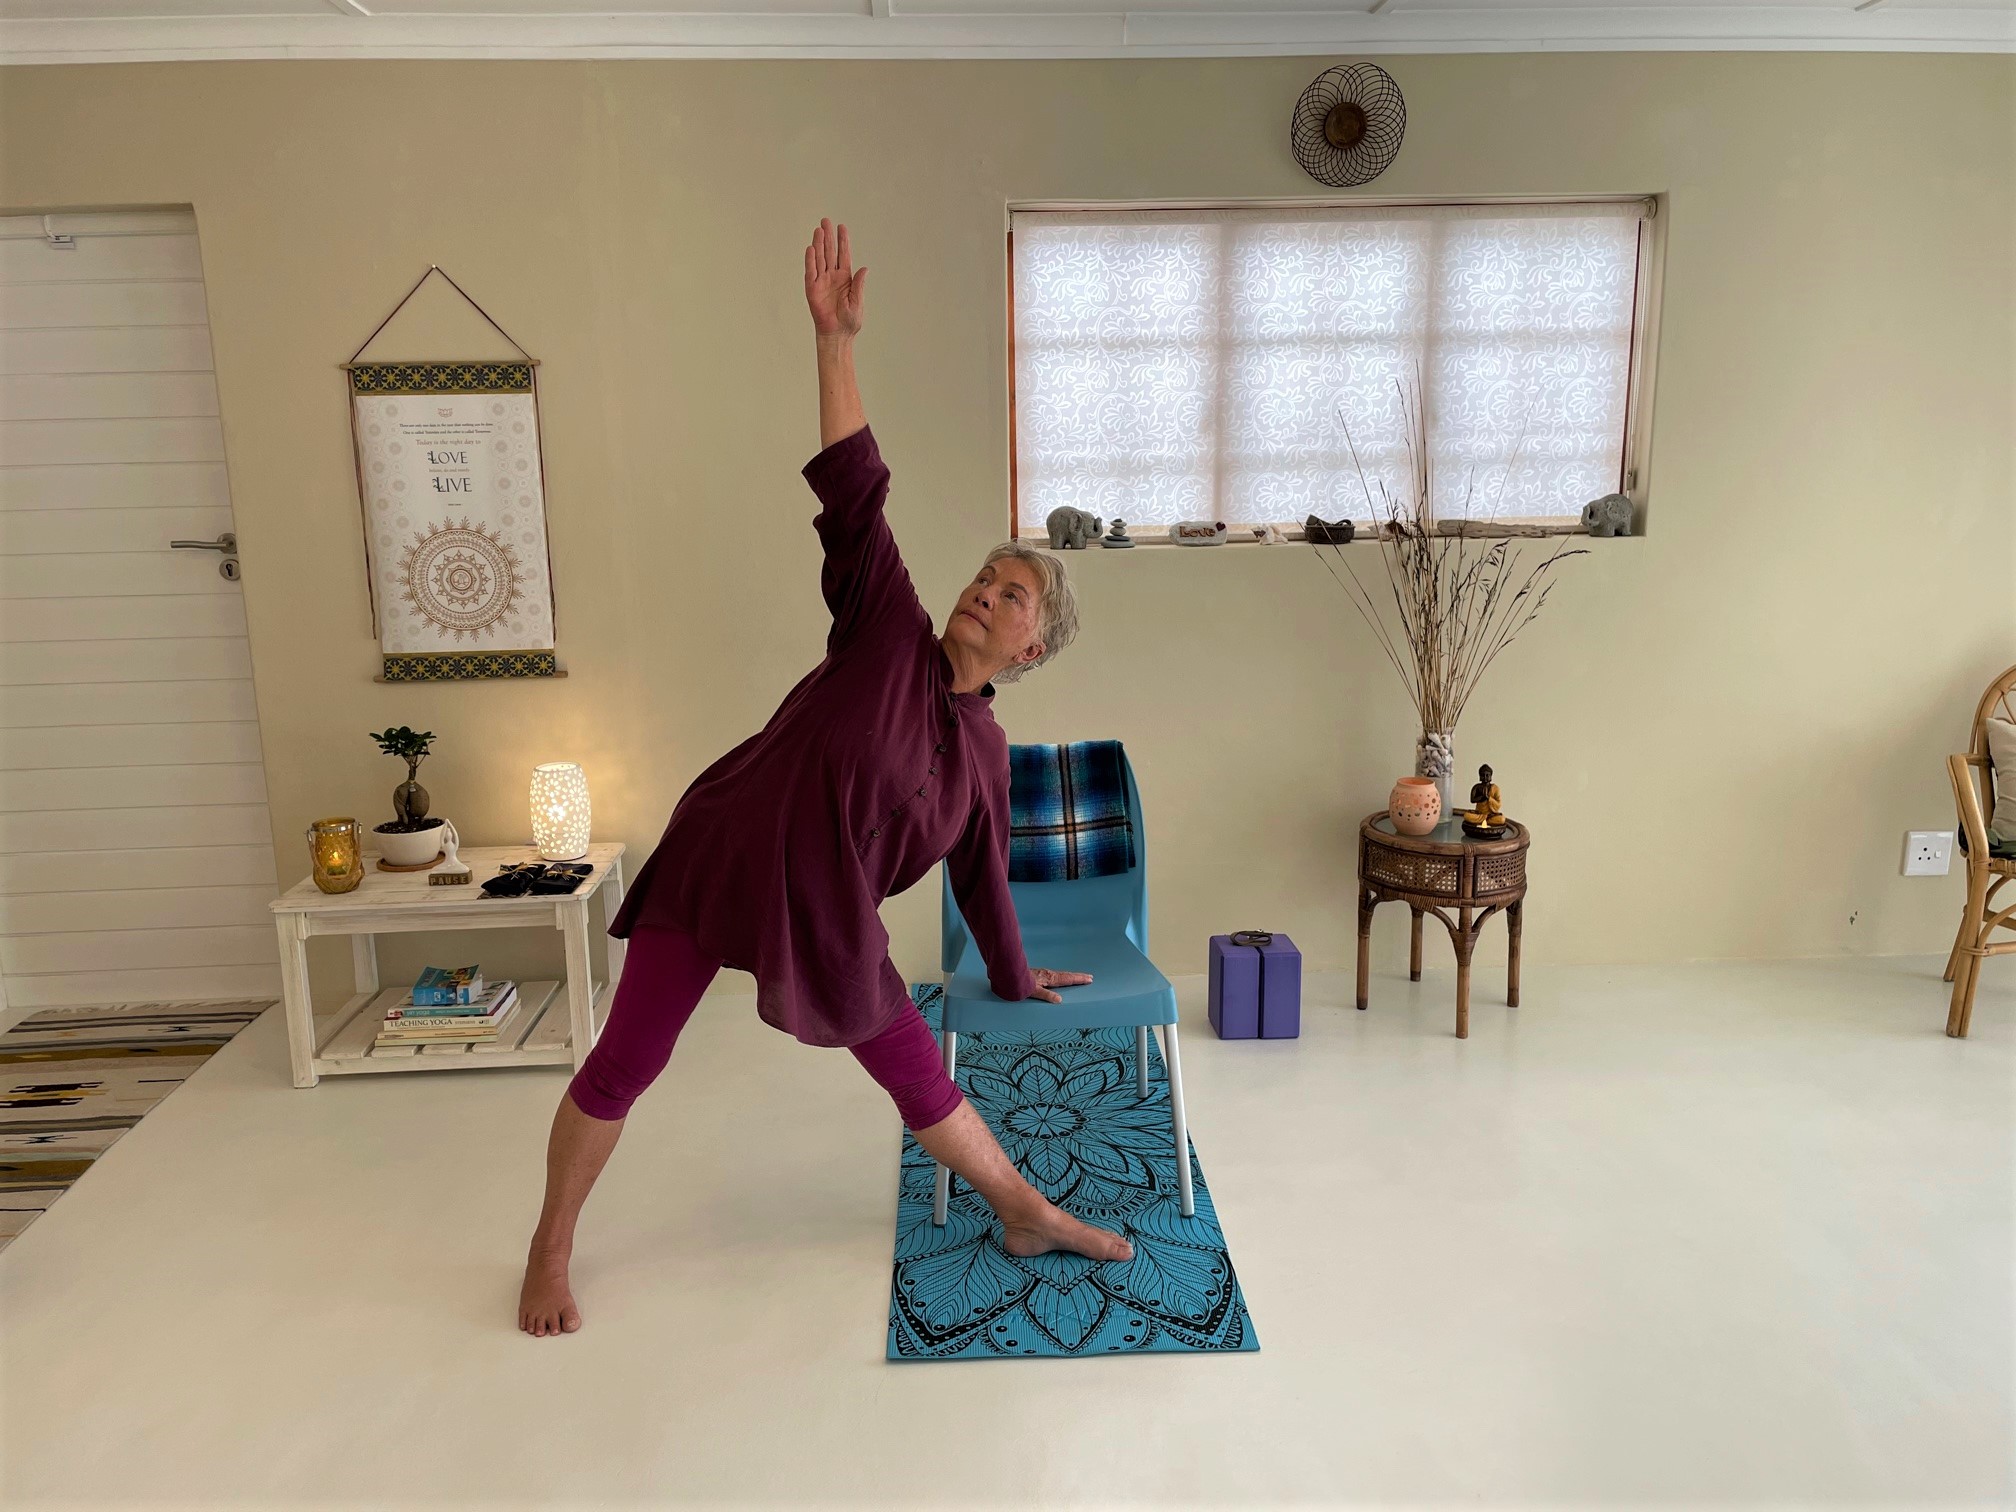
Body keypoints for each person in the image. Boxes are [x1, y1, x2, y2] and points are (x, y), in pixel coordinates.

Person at [518, 219, 1132, 1337]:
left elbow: (981, 871)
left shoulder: (986, 755)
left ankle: (1026, 1212)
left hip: (828, 913)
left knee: (918, 1078)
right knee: (626, 1062)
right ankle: (550, 1243)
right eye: (984, 577)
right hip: (723, 857)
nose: (984, 593)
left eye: (1012, 597)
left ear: (1031, 649)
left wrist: (1014, 969)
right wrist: (834, 343)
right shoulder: (885, 627)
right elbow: (856, 491)